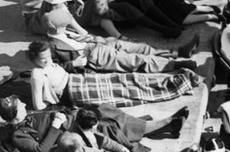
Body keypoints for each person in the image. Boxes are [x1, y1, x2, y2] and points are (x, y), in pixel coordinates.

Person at [0, 94, 189, 152]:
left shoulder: (26, 116)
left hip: (68, 120)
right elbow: (41, 150)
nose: (25, 105)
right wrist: (56, 125)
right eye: (21, 106)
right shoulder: (18, 136)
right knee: (107, 126)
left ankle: (162, 125)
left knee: (105, 109)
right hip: (68, 133)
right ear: (15, 113)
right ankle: (166, 123)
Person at [27, 41, 199, 110]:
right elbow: (38, 105)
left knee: (127, 79)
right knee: (127, 90)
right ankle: (177, 84)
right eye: (43, 59)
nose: (48, 60)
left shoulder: (48, 65)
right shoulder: (37, 73)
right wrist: (56, 101)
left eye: (49, 56)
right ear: (34, 59)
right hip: (74, 91)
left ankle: (176, 78)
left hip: (80, 80)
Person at [46, 27, 199, 73]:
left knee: (142, 48)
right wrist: (74, 64)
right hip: (93, 56)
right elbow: (54, 69)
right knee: (136, 60)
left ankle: (178, 52)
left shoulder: (66, 30)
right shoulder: (52, 47)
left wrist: (93, 38)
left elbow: (84, 35)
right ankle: (174, 65)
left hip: (97, 44)